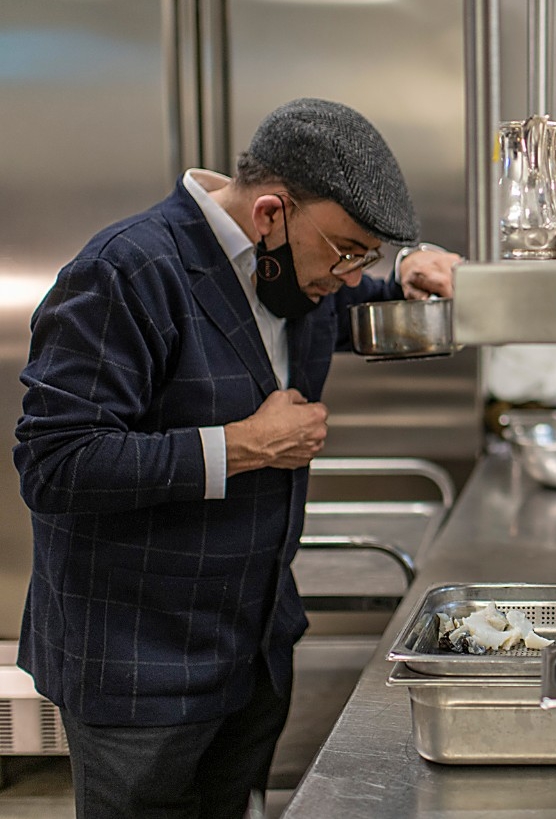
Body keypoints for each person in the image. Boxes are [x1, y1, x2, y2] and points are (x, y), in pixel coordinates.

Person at [13, 97, 460, 819]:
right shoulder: (128, 270)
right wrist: (242, 446)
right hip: (141, 664)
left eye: (364, 257)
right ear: (270, 214)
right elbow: (55, 462)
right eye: (347, 251)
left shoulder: (289, 274)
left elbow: (358, 303)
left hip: (251, 650)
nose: (350, 276)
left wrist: (410, 267)